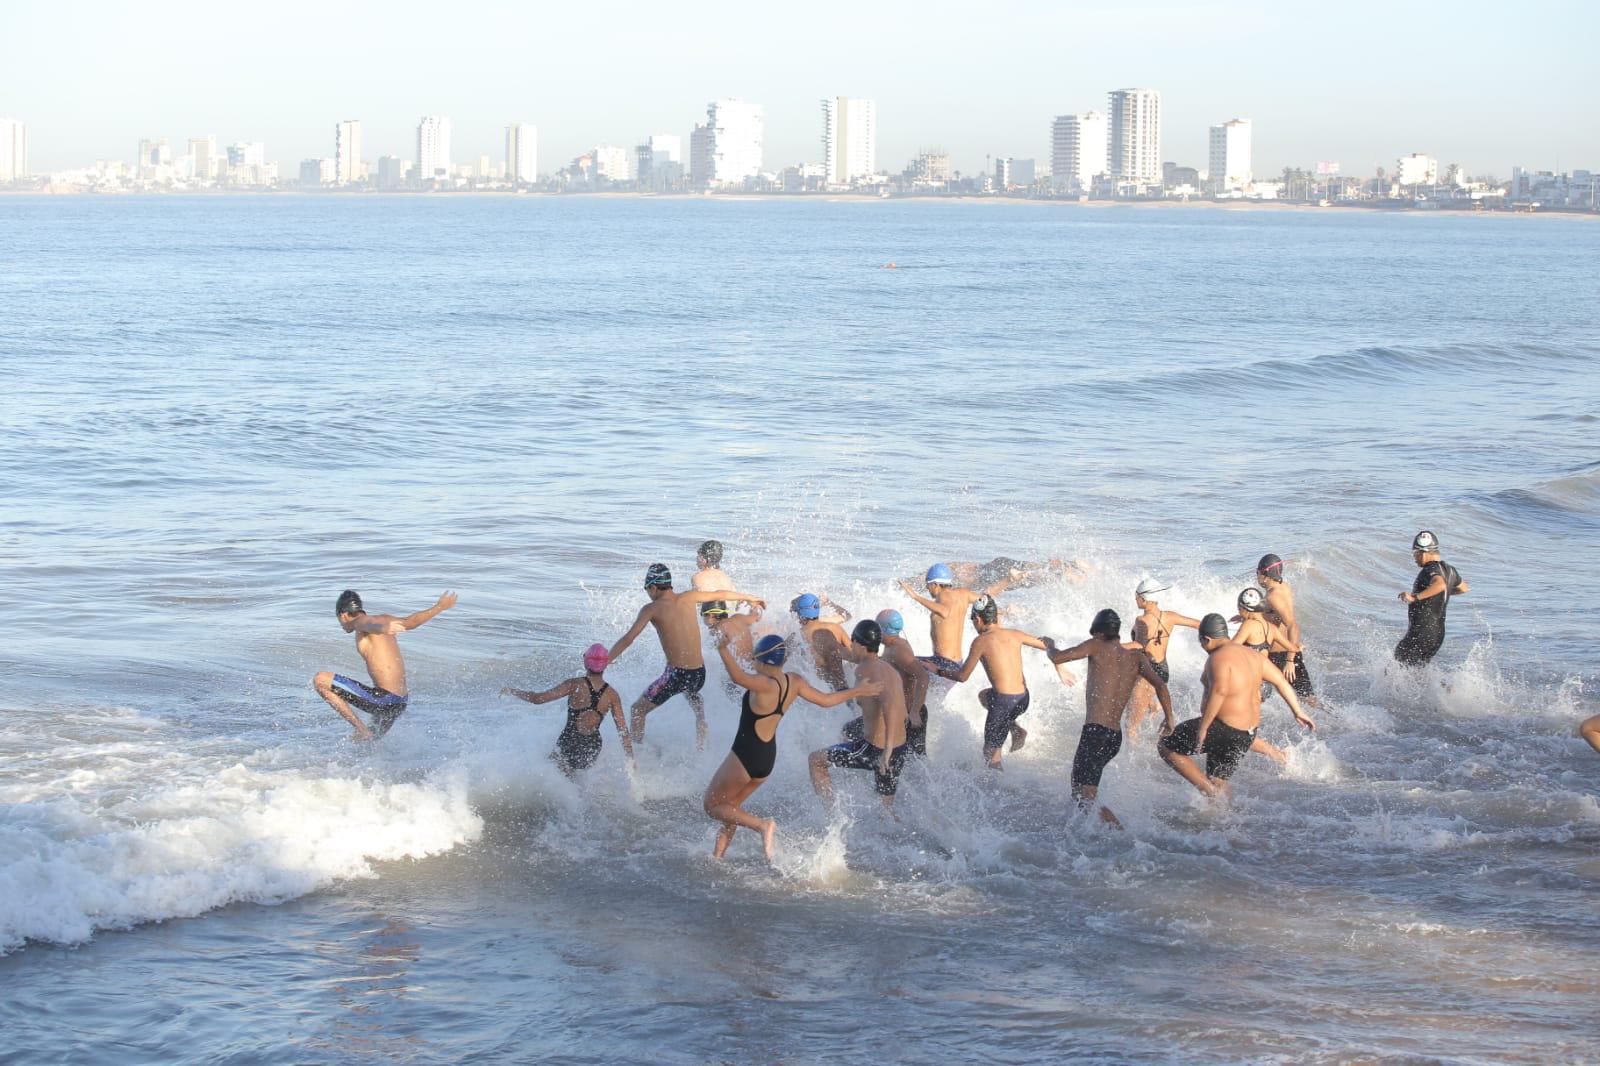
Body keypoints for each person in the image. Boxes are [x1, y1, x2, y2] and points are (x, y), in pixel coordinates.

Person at [705, 634, 882, 860]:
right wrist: (858, 691)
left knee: (712, 805)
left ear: (763, 660)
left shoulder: (763, 684)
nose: (752, 662)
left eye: (755, 658)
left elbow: (738, 677)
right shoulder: (794, 681)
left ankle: (763, 825)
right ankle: (717, 858)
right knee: (731, 808)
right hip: (766, 759)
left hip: (745, 755)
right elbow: (826, 700)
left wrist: (722, 649)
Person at [1159, 614, 1316, 799]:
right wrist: (1298, 711)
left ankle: (1209, 792)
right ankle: (1226, 816)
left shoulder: (1218, 658)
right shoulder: (1254, 656)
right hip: (1247, 734)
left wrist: (1204, 727)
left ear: (1206, 639)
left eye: (1202, 643)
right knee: (1218, 778)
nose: (1203, 648)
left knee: (1166, 746)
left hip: (1223, 728)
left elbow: (1220, 691)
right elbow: (1281, 682)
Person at [609, 563, 764, 749]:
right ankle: (701, 724)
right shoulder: (690, 597)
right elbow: (720, 594)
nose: (648, 593)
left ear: (653, 587)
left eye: (647, 589)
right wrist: (750, 597)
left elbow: (628, 638)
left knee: (636, 711)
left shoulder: (651, 609)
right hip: (699, 674)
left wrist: (606, 660)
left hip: (677, 675)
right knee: (690, 691)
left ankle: (638, 753)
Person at [1048, 609, 1175, 828]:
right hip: (1114, 737)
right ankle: (1083, 834)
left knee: (1086, 794)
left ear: (1097, 632)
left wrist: (1049, 645)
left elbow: (1058, 657)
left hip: (1095, 733)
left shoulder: (1096, 645)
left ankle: (1117, 833)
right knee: (1079, 787)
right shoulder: (1136, 657)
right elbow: (1161, 685)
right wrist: (1169, 718)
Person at [313, 589, 457, 741]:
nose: (342, 626)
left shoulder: (358, 623)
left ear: (343, 615)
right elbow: (411, 622)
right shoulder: (385, 618)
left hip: (385, 700)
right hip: (400, 703)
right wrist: (439, 607)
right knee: (366, 745)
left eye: (339, 621)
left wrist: (381, 628)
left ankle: (361, 730)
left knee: (320, 680)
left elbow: (370, 624)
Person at [809, 620, 911, 813]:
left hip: (877, 749)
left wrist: (886, 750)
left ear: (861, 646)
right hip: (900, 748)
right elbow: (902, 711)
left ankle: (832, 816)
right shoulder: (886, 668)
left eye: (852, 641)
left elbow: (890, 705)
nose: (849, 644)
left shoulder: (865, 670)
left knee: (815, 760)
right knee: (885, 812)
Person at [947, 595, 1056, 768]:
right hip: (1023, 698)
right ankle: (1015, 729)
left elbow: (962, 676)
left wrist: (937, 670)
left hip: (1004, 702)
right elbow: (1048, 644)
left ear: (978, 618)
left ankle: (997, 790)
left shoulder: (980, 641)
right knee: (985, 696)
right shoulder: (1015, 634)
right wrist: (1059, 665)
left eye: (973, 620)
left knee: (990, 754)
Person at [502, 644, 631, 776]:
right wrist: (630, 760)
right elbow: (623, 731)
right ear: (606, 664)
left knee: (552, 777)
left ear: (585, 661)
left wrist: (513, 691)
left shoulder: (574, 684)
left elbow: (538, 699)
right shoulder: (612, 694)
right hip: (593, 745)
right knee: (582, 780)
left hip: (570, 740)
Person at [1125, 578, 1200, 739]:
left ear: (1144, 599)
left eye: (1136, 596)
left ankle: (1135, 762)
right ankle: (1153, 704)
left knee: (1130, 727)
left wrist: (1113, 645)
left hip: (1148, 673)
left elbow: (1139, 645)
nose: (1135, 599)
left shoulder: (1141, 621)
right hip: (1163, 669)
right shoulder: (1170, 616)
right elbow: (1198, 624)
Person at [898, 564, 991, 677]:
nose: (927, 588)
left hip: (943, 664)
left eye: (928, 585)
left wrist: (915, 596)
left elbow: (944, 611)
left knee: (896, 663)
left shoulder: (942, 596)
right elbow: (986, 602)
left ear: (936, 585)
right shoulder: (963, 594)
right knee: (907, 664)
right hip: (957, 663)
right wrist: (1003, 612)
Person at [1394, 530, 1469, 666]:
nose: (1415, 558)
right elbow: (1463, 588)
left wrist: (1414, 598)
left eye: (1416, 554)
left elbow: (1439, 584)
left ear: (1424, 552)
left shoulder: (1430, 569)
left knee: (1396, 666)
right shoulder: (1450, 570)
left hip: (1421, 632)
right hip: (1437, 635)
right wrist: (1438, 593)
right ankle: (1445, 687)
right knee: (1416, 672)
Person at [1257, 554, 1317, 707]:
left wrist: (1290, 660)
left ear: (1265, 574)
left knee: (1307, 699)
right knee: (1307, 698)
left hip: (1281, 655)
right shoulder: (1282, 586)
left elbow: (1292, 625)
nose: (1257, 576)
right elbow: (1276, 616)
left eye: (1258, 573)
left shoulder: (1273, 596)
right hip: (1279, 652)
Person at [878, 609, 934, 757]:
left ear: (884, 629)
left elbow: (923, 677)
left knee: (916, 763)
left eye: (877, 627)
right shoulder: (890, 646)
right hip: (900, 714)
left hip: (910, 715)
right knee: (907, 761)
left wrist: (915, 711)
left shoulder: (898, 650)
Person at [792, 592, 853, 690]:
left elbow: (775, 661)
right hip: (843, 692)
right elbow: (856, 655)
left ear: (799, 613)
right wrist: (829, 602)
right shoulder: (835, 628)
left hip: (820, 695)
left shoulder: (796, 636)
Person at [943, 557, 1090, 594]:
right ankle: (1070, 564)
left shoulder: (954, 587)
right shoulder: (953, 567)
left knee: (1029, 577)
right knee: (1030, 567)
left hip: (993, 578)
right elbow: (966, 565)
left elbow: (987, 594)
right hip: (995, 564)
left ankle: (1067, 577)